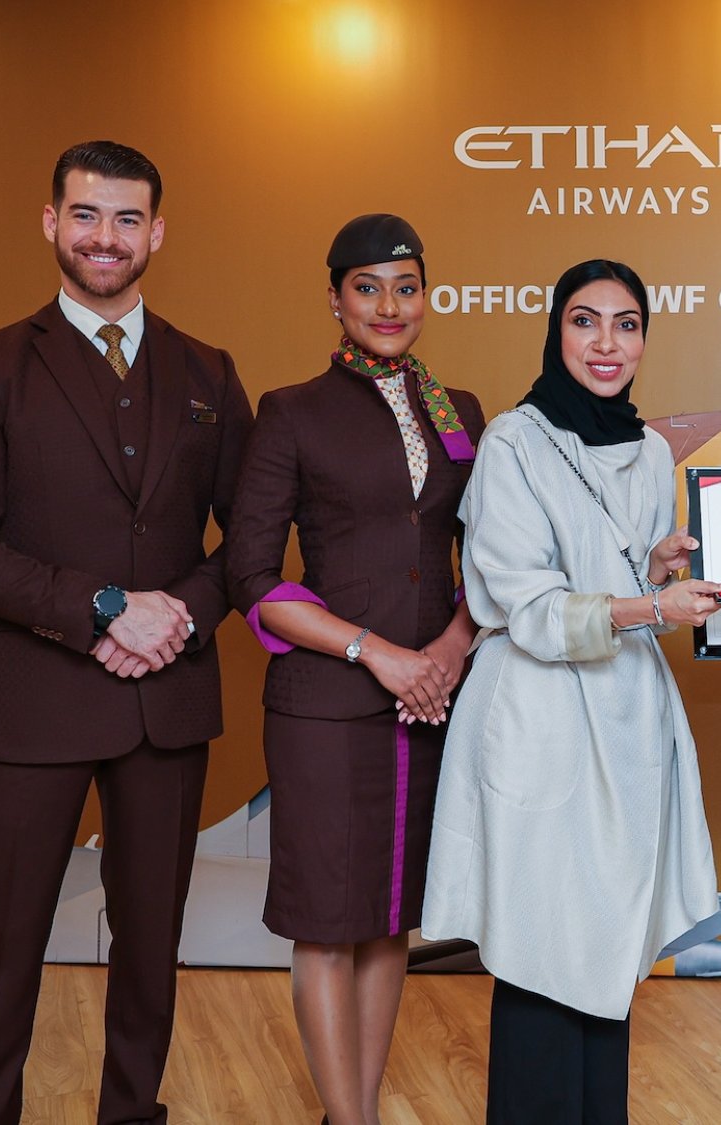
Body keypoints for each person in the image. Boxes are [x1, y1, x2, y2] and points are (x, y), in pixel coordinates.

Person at [0, 140, 254, 1125]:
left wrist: (177, 614)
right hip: (34, 704)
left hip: (169, 698)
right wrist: (104, 607)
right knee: (4, 945)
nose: (103, 238)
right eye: (84, 214)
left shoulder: (207, 370)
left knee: (151, 949)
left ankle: (130, 1113)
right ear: (50, 223)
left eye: (124, 218)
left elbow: (247, 541)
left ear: (156, 231)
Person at [421, 259, 721, 1124]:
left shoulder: (652, 447)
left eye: (627, 324)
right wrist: (649, 600)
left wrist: (653, 571)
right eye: (585, 321)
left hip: (627, 724)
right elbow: (529, 608)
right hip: (540, 722)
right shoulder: (516, 440)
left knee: (605, 948)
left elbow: (617, 590)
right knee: (542, 947)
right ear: (555, 330)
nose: (606, 343)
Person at [222, 214, 484, 1125]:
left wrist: (445, 655)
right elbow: (250, 576)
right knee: (329, 926)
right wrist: (378, 653)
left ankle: (353, 1109)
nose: (388, 305)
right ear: (334, 298)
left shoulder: (459, 410)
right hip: (328, 707)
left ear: (427, 295)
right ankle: (354, 1118)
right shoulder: (291, 411)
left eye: (405, 287)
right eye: (367, 287)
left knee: (390, 921)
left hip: (430, 704)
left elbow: (489, 563)